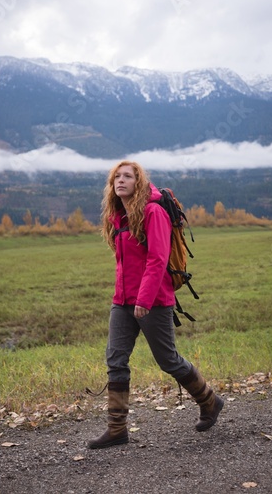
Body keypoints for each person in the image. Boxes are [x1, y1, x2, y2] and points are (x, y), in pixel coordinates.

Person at [88, 160, 224, 449]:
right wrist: (124, 297)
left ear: (138, 183)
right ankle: (117, 429)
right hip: (122, 301)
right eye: (117, 176)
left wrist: (145, 299)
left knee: (168, 360)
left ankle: (210, 401)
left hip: (153, 301)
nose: (121, 180)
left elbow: (158, 259)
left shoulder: (153, 212)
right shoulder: (118, 217)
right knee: (115, 360)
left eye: (128, 176)